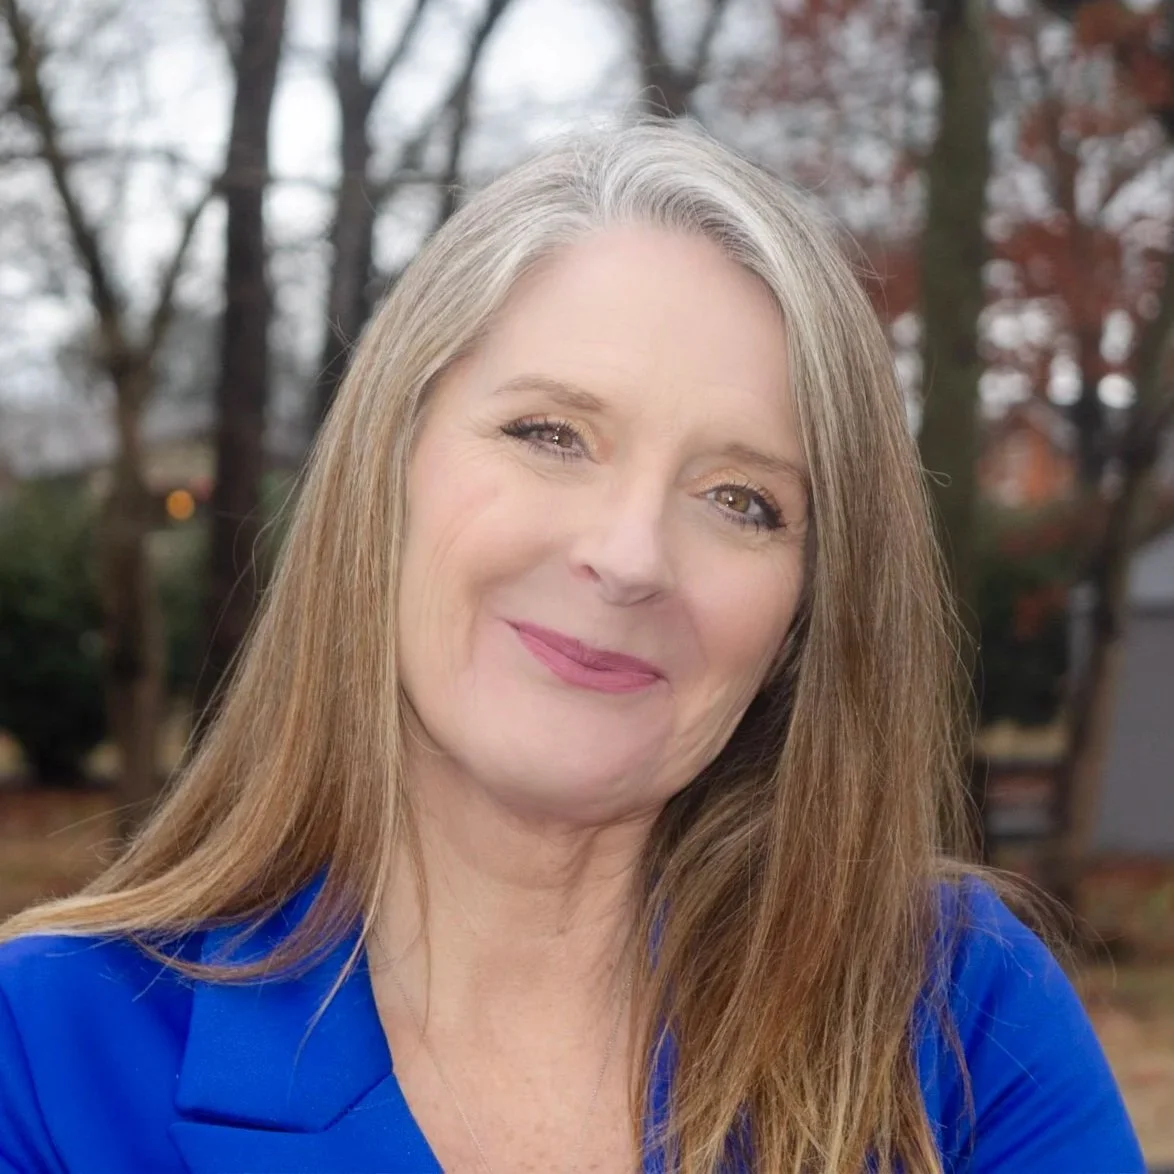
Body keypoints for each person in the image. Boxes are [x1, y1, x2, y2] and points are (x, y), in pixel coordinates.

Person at [0, 123, 1143, 1174]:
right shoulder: (50, 1054)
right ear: (383, 466)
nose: (629, 552)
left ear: (807, 613)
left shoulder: (960, 1024)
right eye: (550, 433)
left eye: (742, 499)